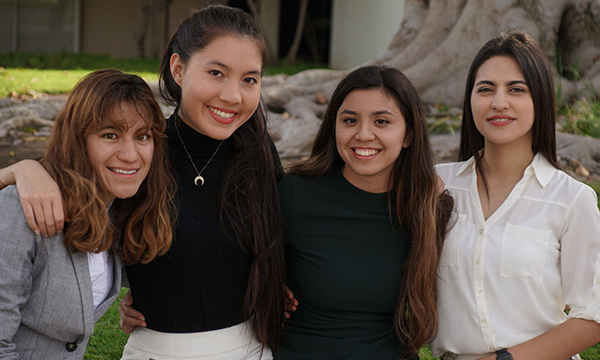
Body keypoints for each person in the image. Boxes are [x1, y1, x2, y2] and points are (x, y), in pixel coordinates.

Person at [3, 5, 285, 359]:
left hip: (249, 348)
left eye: (249, 79)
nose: (233, 95)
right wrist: (21, 170)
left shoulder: (257, 157)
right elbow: (69, 174)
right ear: (178, 69)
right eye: (216, 73)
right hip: (156, 349)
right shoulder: (141, 153)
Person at [430, 30, 600, 360]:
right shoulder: (437, 184)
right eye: (486, 89)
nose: (499, 102)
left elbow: (592, 316)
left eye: (516, 89)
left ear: (540, 99)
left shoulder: (571, 199)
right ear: (470, 100)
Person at [278, 65, 454, 359]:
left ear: (408, 135)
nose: (363, 134)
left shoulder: (425, 208)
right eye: (350, 120)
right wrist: (269, 286)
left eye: (382, 122)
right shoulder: (294, 195)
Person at [0, 69, 174, 359]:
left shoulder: (117, 210)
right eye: (110, 135)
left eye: (142, 136)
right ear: (79, 141)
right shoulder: (24, 207)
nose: (131, 154)